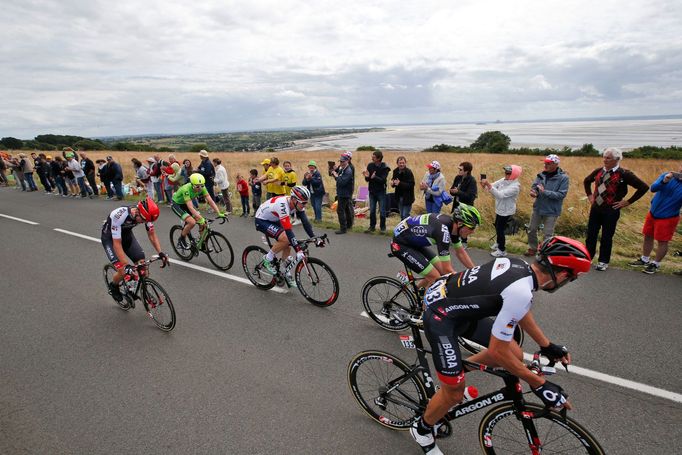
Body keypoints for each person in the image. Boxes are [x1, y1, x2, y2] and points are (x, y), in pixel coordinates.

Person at [410, 236, 590, 454]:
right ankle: (421, 429)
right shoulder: (521, 290)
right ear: (562, 274)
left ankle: (454, 373)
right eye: (570, 279)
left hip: (455, 301)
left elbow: (518, 309)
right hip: (442, 316)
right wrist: (538, 383)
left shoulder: (520, 267)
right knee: (457, 392)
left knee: (513, 351)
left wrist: (546, 345)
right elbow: (498, 346)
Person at [583, 147, 649, 271]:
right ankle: (588, 258)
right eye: (604, 157)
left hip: (611, 210)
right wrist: (590, 196)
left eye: (608, 158)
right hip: (596, 208)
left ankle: (603, 261)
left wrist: (628, 202)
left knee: (606, 237)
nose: (605, 160)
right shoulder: (599, 171)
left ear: (617, 159)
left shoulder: (624, 174)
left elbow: (643, 187)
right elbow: (586, 181)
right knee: (591, 234)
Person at [391, 204, 480, 294]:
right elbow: (447, 270)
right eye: (471, 228)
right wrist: (464, 282)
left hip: (412, 242)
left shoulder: (453, 228)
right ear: (460, 224)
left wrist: (476, 271)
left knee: (438, 272)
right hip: (400, 244)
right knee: (436, 278)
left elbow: (461, 252)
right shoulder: (442, 231)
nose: (473, 231)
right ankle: (426, 307)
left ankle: (416, 292)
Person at [101, 196, 169, 302]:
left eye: (146, 220)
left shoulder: (146, 216)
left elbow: (151, 235)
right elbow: (117, 243)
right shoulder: (119, 215)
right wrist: (126, 265)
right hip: (110, 239)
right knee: (123, 270)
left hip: (127, 236)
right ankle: (114, 286)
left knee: (142, 265)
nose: (143, 222)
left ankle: (143, 289)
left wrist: (160, 252)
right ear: (137, 212)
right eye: (143, 219)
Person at [254, 185, 319, 286]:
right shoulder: (283, 206)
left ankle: (285, 271)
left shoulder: (296, 203)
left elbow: (305, 222)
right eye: (303, 203)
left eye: (306, 202)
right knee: (286, 238)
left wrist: (314, 238)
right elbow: (288, 230)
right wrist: (298, 250)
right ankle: (268, 258)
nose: (304, 205)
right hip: (262, 220)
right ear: (294, 199)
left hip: (274, 219)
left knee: (288, 244)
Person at [628, 163, 682, 274]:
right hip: (653, 213)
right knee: (648, 236)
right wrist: (665, 181)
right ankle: (645, 259)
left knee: (662, 241)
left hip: (668, 217)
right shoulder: (667, 175)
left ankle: (656, 264)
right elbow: (653, 188)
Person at [524, 154, 569, 256]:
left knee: (547, 234)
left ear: (555, 164)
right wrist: (533, 192)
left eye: (548, 163)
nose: (545, 164)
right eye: (545, 162)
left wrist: (545, 192)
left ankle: (544, 253)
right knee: (531, 229)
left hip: (552, 210)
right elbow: (535, 186)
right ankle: (533, 248)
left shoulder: (563, 178)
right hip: (538, 208)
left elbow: (561, 195)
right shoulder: (541, 175)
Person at [171, 173, 226, 250]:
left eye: (202, 185)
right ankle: (181, 240)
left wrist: (219, 213)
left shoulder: (202, 187)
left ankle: (202, 243)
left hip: (186, 204)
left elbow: (210, 201)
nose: (200, 188)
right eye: (197, 186)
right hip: (177, 205)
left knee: (203, 224)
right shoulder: (186, 189)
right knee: (192, 222)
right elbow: (190, 207)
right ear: (192, 184)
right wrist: (200, 218)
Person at [481, 164, 522, 258]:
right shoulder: (503, 180)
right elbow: (492, 186)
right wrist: (485, 186)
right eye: (506, 172)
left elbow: (500, 195)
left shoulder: (515, 187)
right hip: (499, 208)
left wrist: (488, 185)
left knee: (500, 229)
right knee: (497, 226)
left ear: (514, 175)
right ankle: (498, 243)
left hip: (507, 211)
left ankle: (502, 250)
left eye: (508, 173)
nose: (506, 174)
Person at [449, 161, 477, 247]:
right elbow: (453, 189)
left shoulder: (472, 181)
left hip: (466, 206)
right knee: (455, 223)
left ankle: (464, 242)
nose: (459, 171)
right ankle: (455, 240)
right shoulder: (458, 177)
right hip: (457, 204)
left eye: (461, 169)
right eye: (459, 169)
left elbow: (470, 196)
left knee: (464, 225)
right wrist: (452, 192)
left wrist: (458, 192)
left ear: (467, 171)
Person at [363, 150, 390, 232]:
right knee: (372, 210)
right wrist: (367, 176)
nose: (372, 158)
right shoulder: (370, 165)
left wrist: (375, 177)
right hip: (372, 191)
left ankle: (382, 228)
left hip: (381, 191)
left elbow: (383, 180)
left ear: (379, 158)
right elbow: (368, 179)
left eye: (374, 157)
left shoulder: (385, 167)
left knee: (382, 211)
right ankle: (372, 227)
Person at [332, 152, 354, 234]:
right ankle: (347, 225)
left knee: (340, 210)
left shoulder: (348, 171)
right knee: (345, 209)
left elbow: (342, 182)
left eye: (342, 161)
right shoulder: (343, 169)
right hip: (343, 192)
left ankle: (343, 228)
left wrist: (336, 175)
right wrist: (335, 174)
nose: (341, 163)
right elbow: (339, 180)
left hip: (344, 193)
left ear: (347, 161)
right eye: (340, 161)